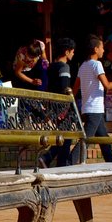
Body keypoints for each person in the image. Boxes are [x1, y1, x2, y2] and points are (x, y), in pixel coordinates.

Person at [73, 35, 112, 163]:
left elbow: (74, 90)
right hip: (94, 109)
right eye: (102, 48)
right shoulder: (97, 65)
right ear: (96, 49)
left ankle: (111, 162)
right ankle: (70, 162)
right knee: (86, 139)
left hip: (87, 108)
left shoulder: (83, 66)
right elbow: (107, 85)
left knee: (103, 138)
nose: (103, 50)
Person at [40, 37, 77, 167]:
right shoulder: (64, 67)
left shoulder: (51, 67)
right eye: (72, 51)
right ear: (66, 52)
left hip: (53, 105)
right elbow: (65, 88)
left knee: (63, 136)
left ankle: (53, 160)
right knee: (66, 137)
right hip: (63, 107)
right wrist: (66, 107)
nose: (73, 54)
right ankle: (52, 159)